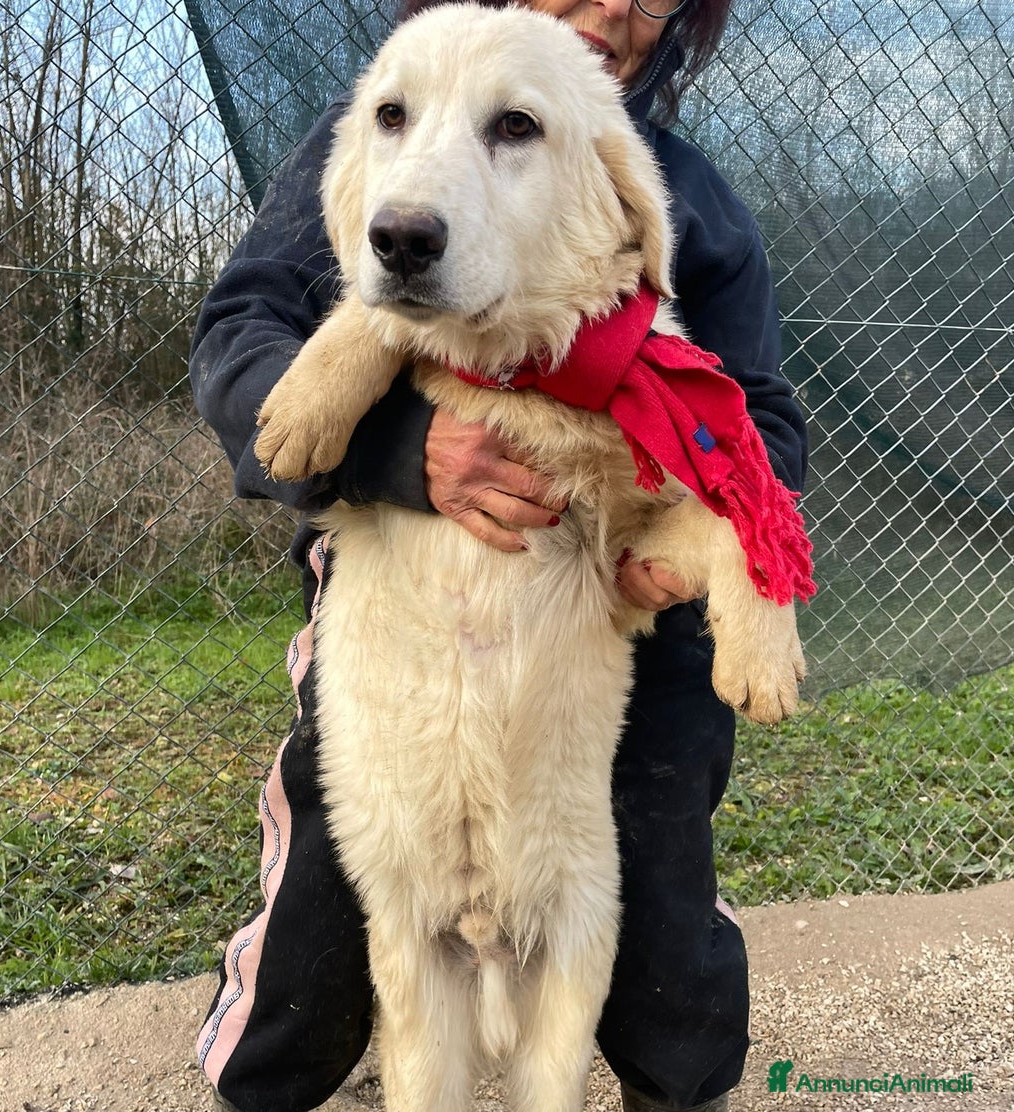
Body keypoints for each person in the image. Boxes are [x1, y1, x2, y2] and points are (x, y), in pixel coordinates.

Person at [190, 0, 808, 1108]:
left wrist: (695, 562)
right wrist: (402, 448)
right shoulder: (386, 134)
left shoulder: (684, 199)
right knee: (328, 921)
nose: (614, 8)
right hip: (396, 589)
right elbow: (245, 330)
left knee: (659, 895)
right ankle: (261, 1078)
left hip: (610, 588)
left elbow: (757, 424)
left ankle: (684, 1083)